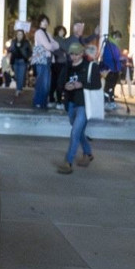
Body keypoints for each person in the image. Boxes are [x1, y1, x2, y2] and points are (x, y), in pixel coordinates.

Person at [56, 42, 102, 174]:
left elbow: (97, 85)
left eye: (76, 54)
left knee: (75, 132)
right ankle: (88, 153)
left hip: (84, 104)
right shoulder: (68, 67)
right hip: (71, 103)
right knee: (79, 131)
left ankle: (68, 162)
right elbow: (60, 83)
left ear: (82, 54)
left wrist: (80, 85)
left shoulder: (90, 67)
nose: (73, 57)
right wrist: (65, 86)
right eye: (71, 54)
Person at [31, 14, 59, 110]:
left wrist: (52, 45)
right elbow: (49, 46)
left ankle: (42, 102)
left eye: (46, 21)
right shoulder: (39, 32)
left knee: (46, 83)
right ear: (39, 22)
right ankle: (38, 102)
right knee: (42, 82)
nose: (45, 23)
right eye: (43, 21)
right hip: (42, 59)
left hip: (48, 59)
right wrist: (52, 45)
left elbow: (57, 45)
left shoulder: (48, 33)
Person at [100, 31, 123, 108]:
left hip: (115, 69)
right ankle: (106, 101)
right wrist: (109, 68)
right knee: (109, 86)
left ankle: (111, 100)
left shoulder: (114, 46)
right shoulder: (110, 45)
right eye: (118, 39)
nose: (119, 40)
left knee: (112, 86)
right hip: (111, 69)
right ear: (115, 37)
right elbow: (108, 58)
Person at [8, 29, 31, 99]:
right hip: (14, 61)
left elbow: (30, 51)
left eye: (21, 34)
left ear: (23, 35)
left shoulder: (26, 42)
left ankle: (18, 90)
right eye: (18, 34)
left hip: (22, 61)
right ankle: (19, 88)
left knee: (21, 76)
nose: (19, 36)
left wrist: (28, 58)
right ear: (16, 35)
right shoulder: (13, 41)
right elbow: (10, 50)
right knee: (17, 76)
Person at [51, 25, 69, 109]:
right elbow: (66, 48)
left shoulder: (54, 39)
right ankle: (59, 101)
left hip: (55, 63)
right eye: (60, 31)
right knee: (60, 82)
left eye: (63, 31)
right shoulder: (59, 40)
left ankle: (52, 100)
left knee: (54, 82)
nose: (62, 32)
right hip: (61, 63)